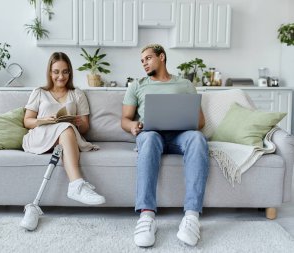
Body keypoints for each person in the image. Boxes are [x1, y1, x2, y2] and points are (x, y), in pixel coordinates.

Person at [121, 44, 209, 247]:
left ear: (162, 57)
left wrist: (183, 120)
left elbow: (201, 122)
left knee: (197, 138)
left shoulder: (185, 84)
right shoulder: (137, 85)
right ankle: (146, 216)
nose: (144, 63)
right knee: (150, 138)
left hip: (181, 136)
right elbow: (125, 119)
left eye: (148, 58)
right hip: (152, 135)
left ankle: (192, 217)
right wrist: (133, 125)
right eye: (142, 60)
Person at [20, 52, 106, 231]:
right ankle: (76, 184)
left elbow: (84, 128)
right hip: (40, 135)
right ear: (50, 73)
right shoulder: (39, 92)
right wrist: (43, 120)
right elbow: (27, 121)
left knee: (66, 129)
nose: (61, 76)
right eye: (56, 72)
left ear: (70, 73)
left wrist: (78, 122)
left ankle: (76, 185)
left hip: (66, 134)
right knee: (64, 129)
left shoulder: (77, 94)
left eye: (65, 72)